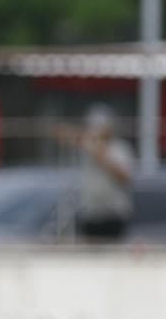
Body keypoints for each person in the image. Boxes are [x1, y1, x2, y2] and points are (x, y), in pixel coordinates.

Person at [54, 104, 134, 242]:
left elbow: (125, 178)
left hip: (113, 213)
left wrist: (99, 153)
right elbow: (62, 134)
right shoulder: (88, 144)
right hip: (91, 213)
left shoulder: (120, 148)